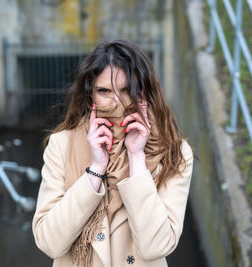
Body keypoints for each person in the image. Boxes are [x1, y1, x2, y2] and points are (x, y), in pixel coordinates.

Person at [32, 39, 194, 267]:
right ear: (90, 95)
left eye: (127, 90)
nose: (116, 102)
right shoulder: (61, 145)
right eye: (104, 91)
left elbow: (157, 246)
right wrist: (95, 171)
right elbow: (49, 242)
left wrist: (136, 157)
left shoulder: (173, 152)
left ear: (143, 93)